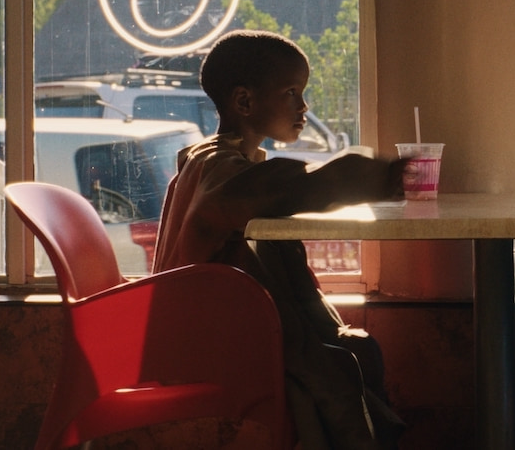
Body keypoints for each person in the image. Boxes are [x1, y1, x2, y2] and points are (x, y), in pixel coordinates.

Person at [153, 29, 406, 450]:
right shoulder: (219, 167)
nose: (304, 107)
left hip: (221, 330)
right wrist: (359, 180)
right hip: (211, 341)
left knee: (358, 353)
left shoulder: (220, 159)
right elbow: (264, 191)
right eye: (292, 92)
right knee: (342, 364)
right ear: (245, 102)